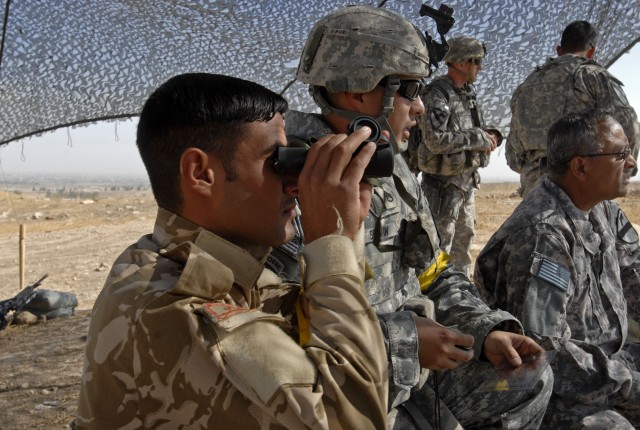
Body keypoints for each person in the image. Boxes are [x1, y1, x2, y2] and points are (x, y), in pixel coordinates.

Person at [272, 6, 552, 429]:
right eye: (410, 90)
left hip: (412, 373)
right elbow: (277, 332)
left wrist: (485, 332)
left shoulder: (391, 165)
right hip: (345, 394)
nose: (419, 107)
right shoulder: (290, 183)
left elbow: (433, 272)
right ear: (359, 90)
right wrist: (405, 343)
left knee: (529, 377)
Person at [75, 72, 389, 429]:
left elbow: (302, 317)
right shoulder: (170, 308)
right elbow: (349, 419)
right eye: (277, 161)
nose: (294, 183)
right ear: (201, 173)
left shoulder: (184, 261)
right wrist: (332, 243)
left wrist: (344, 234)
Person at [475, 108, 640, 429]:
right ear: (580, 166)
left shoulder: (604, 210)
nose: (632, 163)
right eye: (621, 155)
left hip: (606, 364)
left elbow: (636, 274)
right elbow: (546, 351)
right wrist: (628, 385)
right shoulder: (541, 234)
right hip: (549, 388)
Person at [507, 20, 640, 197]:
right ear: (591, 51)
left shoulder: (527, 84)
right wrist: (622, 170)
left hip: (535, 187)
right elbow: (628, 127)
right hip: (583, 184)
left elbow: (513, 151)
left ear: (559, 51)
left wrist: (535, 169)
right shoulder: (592, 76)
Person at [411, 36, 501, 277]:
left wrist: (488, 135)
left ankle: (461, 298)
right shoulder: (436, 95)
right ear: (461, 62)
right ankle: (431, 303)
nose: (480, 67)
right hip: (442, 188)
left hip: (466, 183)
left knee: (463, 249)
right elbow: (435, 140)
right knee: (438, 249)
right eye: (476, 61)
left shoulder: (467, 93)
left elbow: (470, 130)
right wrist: (477, 138)